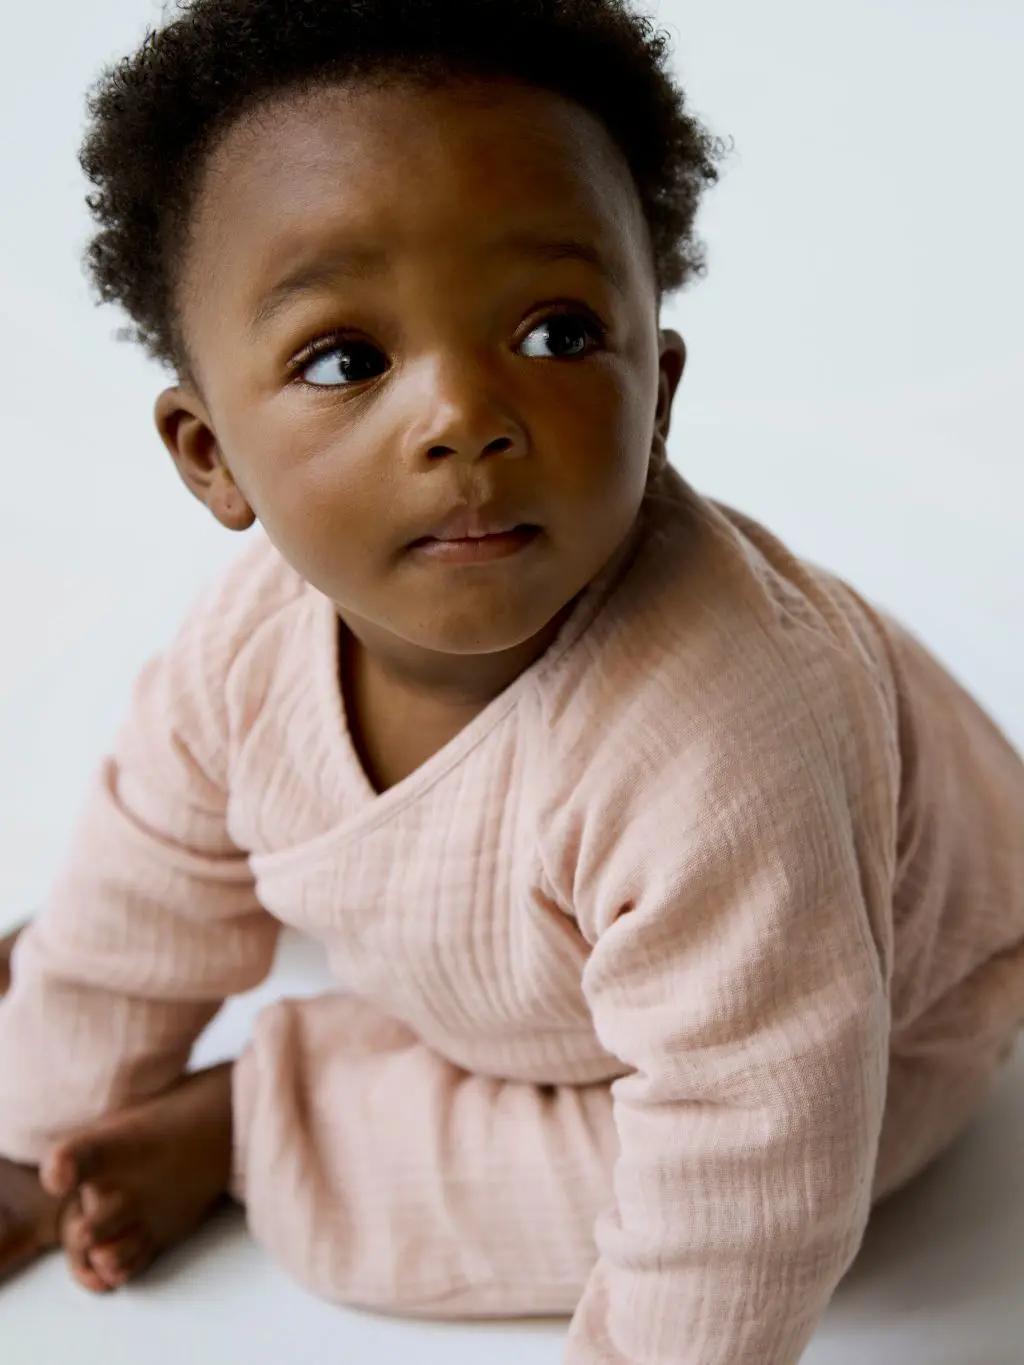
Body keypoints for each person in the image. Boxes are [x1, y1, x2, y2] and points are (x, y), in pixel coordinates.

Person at [0, 0, 1022, 1360]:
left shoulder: (721, 740)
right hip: (571, 955)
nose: (466, 417)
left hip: (874, 1023)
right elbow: (147, 881)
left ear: (655, 391)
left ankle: (264, 1122)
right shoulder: (242, 649)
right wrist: (35, 1129)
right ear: (210, 455)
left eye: (551, 333)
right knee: (111, 919)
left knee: (611, 1190)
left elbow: (742, 1184)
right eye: (346, 360)